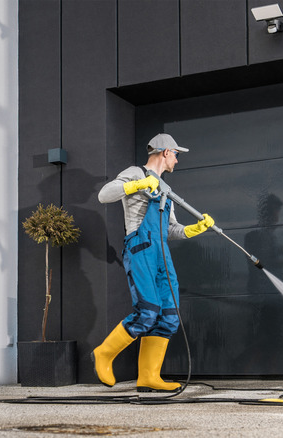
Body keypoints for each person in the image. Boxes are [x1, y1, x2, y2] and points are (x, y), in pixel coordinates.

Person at [92, 133, 214, 392]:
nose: (177, 161)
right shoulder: (136, 173)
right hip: (141, 248)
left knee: (169, 315)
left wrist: (195, 229)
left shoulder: (166, 190)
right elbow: (105, 194)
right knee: (147, 311)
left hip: (162, 252)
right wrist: (137, 185)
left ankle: (148, 376)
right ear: (166, 152)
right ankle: (104, 353)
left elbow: (171, 229)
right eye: (176, 155)